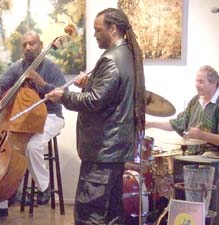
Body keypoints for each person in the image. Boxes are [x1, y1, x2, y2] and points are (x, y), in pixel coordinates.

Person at [46, 8, 146, 225]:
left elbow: (94, 101)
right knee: (111, 213)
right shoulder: (127, 54)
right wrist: (89, 84)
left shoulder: (111, 59)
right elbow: (109, 97)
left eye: (98, 30)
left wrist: (64, 95)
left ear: (113, 29)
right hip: (114, 149)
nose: (94, 35)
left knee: (89, 214)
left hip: (103, 150)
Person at [0, 31, 66, 205]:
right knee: (15, 145)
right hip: (28, 118)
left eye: (32, 44)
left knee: (32, 146)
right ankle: (11, 189)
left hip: (51, 116)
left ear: (40, 45)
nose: (28, 47)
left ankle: (44, 188)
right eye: (24, 44)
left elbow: (63, 94)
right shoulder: (18, 67)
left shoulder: (51, 68)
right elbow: (0, 82)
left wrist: (41, 83)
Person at [146, 65, 219, 157]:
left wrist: (202, 135)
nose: (197, 85)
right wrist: (150, 124)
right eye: (196, 81)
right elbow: (177, 123)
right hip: (191, 155)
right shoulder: (195, 100)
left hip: (213, 156)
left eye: (201, 82)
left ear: (214, 83)